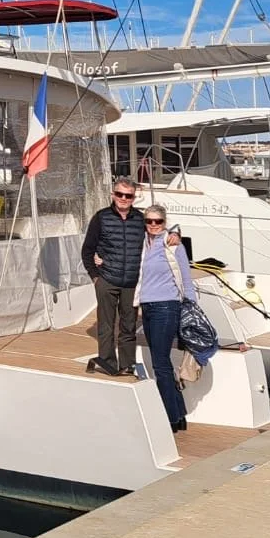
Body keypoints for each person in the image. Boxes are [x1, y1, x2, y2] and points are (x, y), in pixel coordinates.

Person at [136, 204, 193, 432]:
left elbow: (186, 279)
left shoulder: (172, 244)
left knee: (160, 364)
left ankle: (170, 418)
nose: (153, 225)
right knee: (162, 363)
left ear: (164, 222)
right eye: (149, 221)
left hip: (166, 307)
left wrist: (190, 308)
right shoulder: (143, 243)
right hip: (147, 307)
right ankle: (179, 414)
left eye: (158, 221)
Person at [80, 178, 145, 377]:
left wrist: (175, 234)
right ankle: (108, 362)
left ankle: (127, 364)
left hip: (131, 282)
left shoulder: (141, 219)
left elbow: (159, 233)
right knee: (106, 326)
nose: (123, 198)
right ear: (113, 195)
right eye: (119, 194)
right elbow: (87, 250)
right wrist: (95, 277)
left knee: (129, 326)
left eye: (128, 195)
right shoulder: (101, 217)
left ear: (134, 197)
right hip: (107, 280)